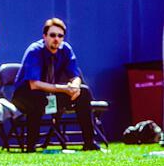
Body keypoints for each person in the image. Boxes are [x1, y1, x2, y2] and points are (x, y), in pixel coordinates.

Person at [11, 17, 101, 153]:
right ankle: (31, 147)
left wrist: (75, 87)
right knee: (38, 98)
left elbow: (75, 75)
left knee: (84, 92)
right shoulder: (35, 51)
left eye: (60, 36)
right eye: (52, 35)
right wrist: (64, 89)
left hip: (51, 95)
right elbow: (34, 84)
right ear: (44, 36)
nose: (56, 39)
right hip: (25, 96)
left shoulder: (65, 49)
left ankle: (90, 143)